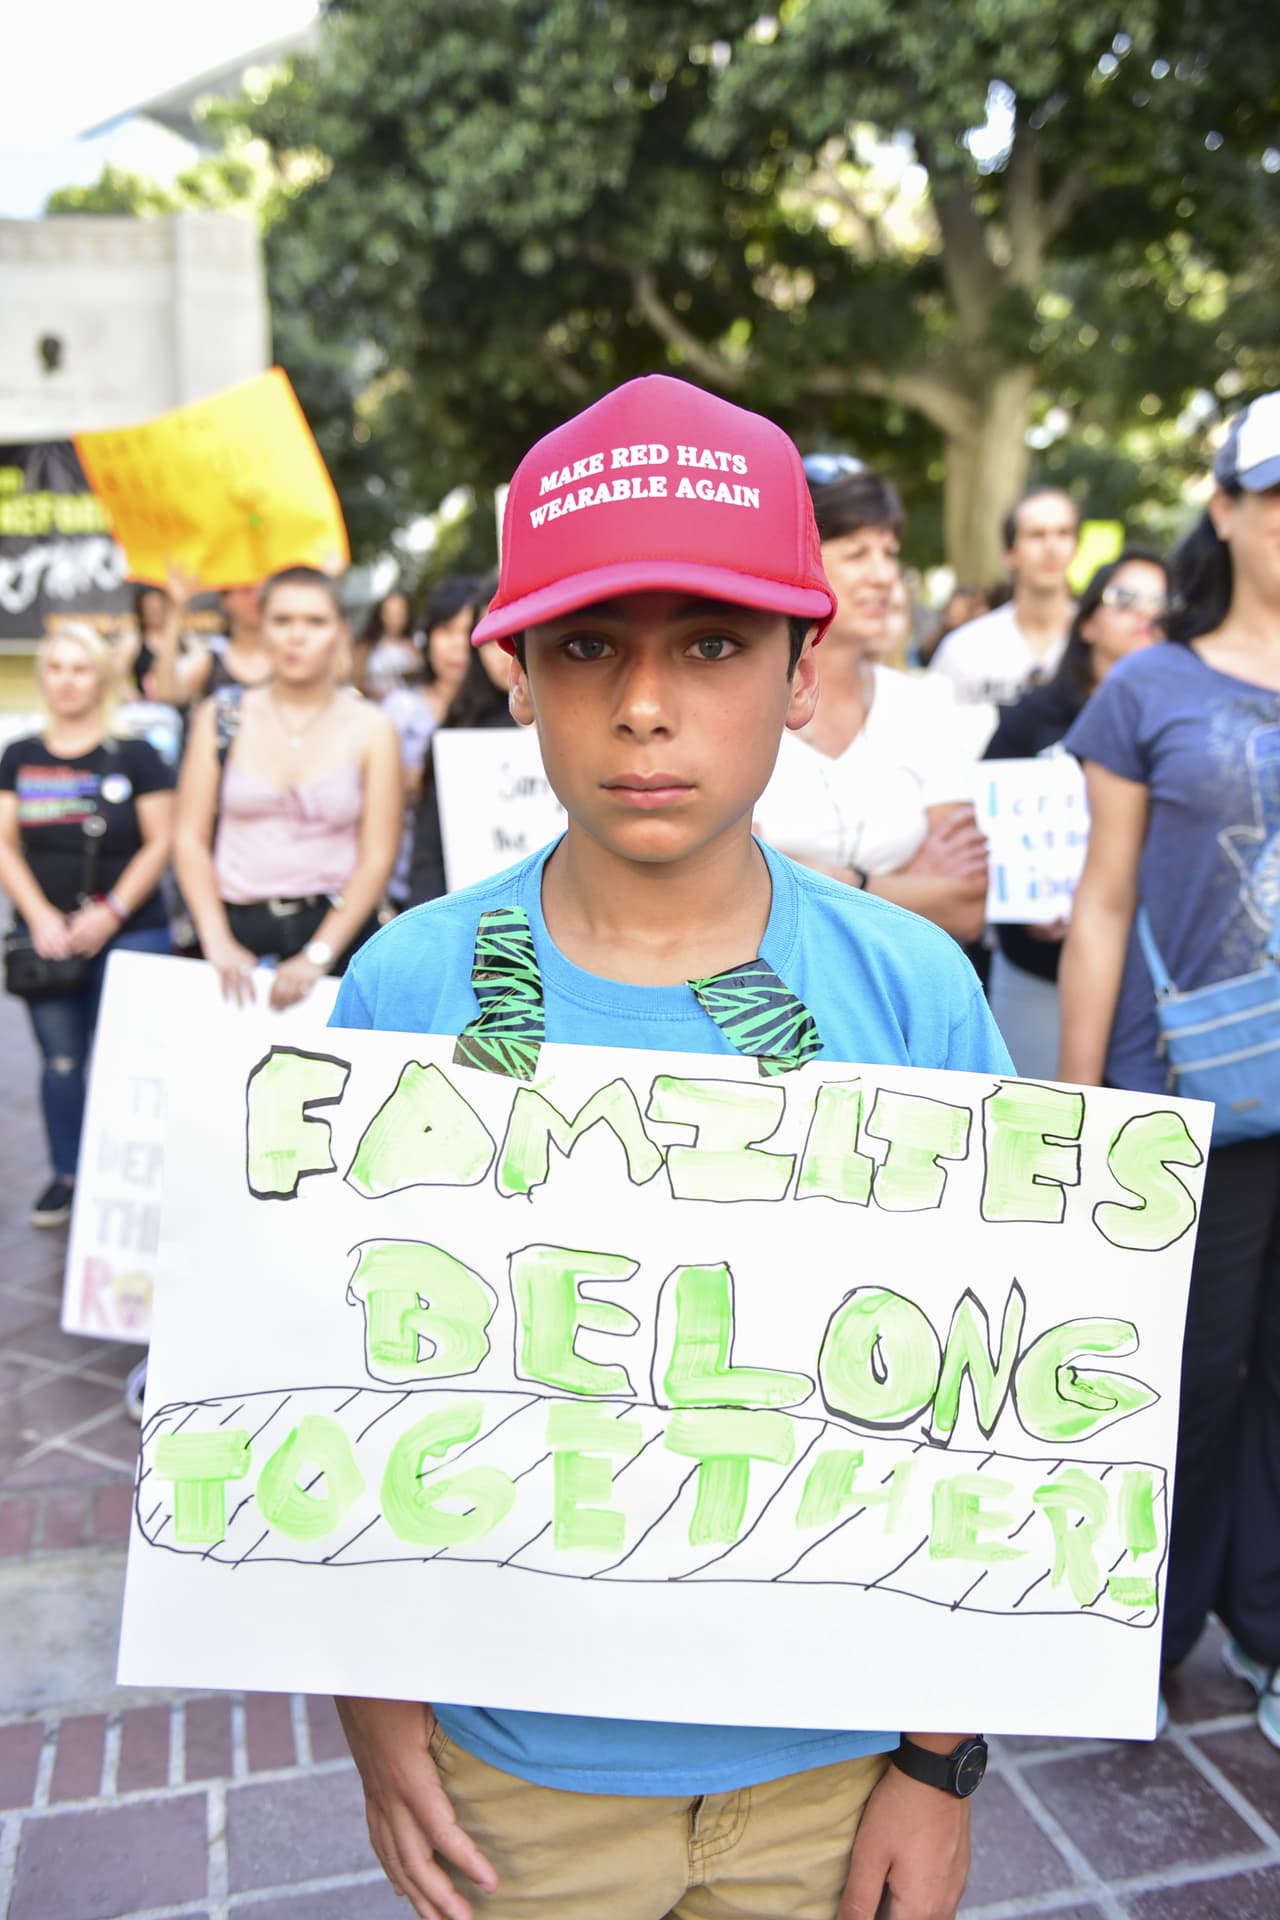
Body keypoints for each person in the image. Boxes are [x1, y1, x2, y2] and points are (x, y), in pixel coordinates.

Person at [330, 375, 1011, 1920]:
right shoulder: (407, 990)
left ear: (800, 673)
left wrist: (938, 1761)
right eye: (588, 646)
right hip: (516, 1771)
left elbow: (997, 1410)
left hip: (834, 1766)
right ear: (515, 674)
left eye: (711, 645)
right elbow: (339, 1383)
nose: (645, 706)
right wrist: (376, 1719)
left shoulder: (912, 992)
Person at [1058, 391, 1280, 1748]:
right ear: (1225, 507)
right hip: (1194, 1091)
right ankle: (1141, 1625)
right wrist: (1078, 1111)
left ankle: (1269, 1629)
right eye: (1277, 494)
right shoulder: (1151, 686)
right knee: (1185, 1375)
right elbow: (1101, 901)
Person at [752, 461, 989, 944]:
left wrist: (840, 879)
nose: (884, 575)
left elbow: (968, 906)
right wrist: (909, 883)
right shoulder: (740, 698)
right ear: (802, 559)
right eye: (858, 553)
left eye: (890, 552)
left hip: (899, 994)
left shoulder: (921, 704)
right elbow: (731, 891)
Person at [0, 624, 174, 1226]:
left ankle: (135, 1178)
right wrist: (41, 915)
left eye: (80, 668)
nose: (67, 680)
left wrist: (112, 912)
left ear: (101, 677)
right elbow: (6, 844)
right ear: (43, 676)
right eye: (56, 668)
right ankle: (68, 1175)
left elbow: (161, 841)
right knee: (62, 1060)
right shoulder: (19, 756)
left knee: (133, 1059)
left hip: (131, 929)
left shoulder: (135, 753)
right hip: (45, 937)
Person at [174, 564, 402, 1009]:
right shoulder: (221, 716)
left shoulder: (373, 727)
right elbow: (189, 836)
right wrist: (216, 939)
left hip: (339, 934)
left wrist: (319, 954)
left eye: (314, 622)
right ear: (262, 627)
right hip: (234, 932)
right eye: (282, 620)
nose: (297, 635)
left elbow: (378, 855)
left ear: (339, 631)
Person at [983, 549, 1168, 1077]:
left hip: (1152, 976)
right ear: (1087, 622)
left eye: (1163, 602)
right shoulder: (1031, 719)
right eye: (1127, 599)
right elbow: (985, 825)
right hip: (1038, 973)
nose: (1147, 614)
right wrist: (1024, 906)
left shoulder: (1184, 725)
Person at [405, 588, 515, 905]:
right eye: (491, 637)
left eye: (515, 634)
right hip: (487, 927)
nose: (505, 652)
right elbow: (428, 861)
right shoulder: (460, 734)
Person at [383, 576, 481, 910]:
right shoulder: (400, 709)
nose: (457, 644)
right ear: (428, 638)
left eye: (468, 632)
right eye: (446, 631)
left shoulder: (507, 712)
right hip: (409, 883)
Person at [929, 488, 1079, 706]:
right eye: (1036, 535)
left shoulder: (1102, 644)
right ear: (1009, 553)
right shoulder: (965, 649)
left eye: (1063, 533)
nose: (1051, 548)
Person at [144, 579, 273, 707]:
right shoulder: (212, 656)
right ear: (226, 600)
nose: (255, 597)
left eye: (260, 589)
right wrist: (176, 611)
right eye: (246, 589)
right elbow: (166, 693)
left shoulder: (283, 654)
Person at [358, 587, 421, 699]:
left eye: (399, 613)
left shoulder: (414, 645)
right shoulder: (366, 646)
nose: (394, 618)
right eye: (390, 612)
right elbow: (358, 682)